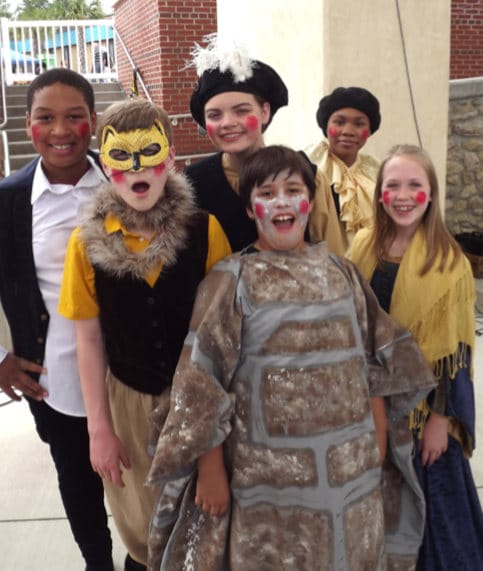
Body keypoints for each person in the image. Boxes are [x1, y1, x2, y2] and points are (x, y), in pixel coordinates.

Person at [146, 145, 436, 570]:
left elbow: (373, 361)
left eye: (292, 189)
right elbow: (202, 384)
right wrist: (210, 469)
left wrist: (377, 438)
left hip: (348, 474)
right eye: (267, 193)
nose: (281, 202)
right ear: (249, 209)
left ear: (311, 202)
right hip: (263, 481)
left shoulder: (343, 273)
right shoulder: (231, 282)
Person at [58, 98, 231, 571]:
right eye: (122, 156)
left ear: (170, 158)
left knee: (204, 519)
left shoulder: (204, 230)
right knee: (142, 523)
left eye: (149, 153)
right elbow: (88, 340)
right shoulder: (85, 242)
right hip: (129, 400)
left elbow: (222, 331)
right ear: (105, 164)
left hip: (197, 397)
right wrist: (99, 429)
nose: (138, 168)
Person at [0, 68, 114, 571]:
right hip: (54, 379)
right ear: (29, 126)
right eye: (47, 118)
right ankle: (98, 563)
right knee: (77, 477)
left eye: (74, 117)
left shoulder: (128, 179)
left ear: (94, 120)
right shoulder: (7, 201)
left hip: (135, 372)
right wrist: (0, 358)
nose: (62, 130)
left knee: (144, 477)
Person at [349, 144, 483, 571]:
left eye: (415, 185)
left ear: (431, 193)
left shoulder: (449, 262)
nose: (403, 195)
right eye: (393, 185)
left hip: (422, 413)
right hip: (371, 404)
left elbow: (453, 356)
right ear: (380, 193)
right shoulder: (363, 247)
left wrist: (441, 420)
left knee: (433, 517)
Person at [185, 33, 345, 255]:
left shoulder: (306, 174)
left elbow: (333, 261)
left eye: (242, 111)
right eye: (215, 115)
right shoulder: (192, 185)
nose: (228, 123)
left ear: (265, 111)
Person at [305, 86, 381, 250]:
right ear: (326, 126)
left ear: (369, 131)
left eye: (359, 124)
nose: (348, 131)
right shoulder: (308, 165)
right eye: (339, 122)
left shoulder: (377, 171)